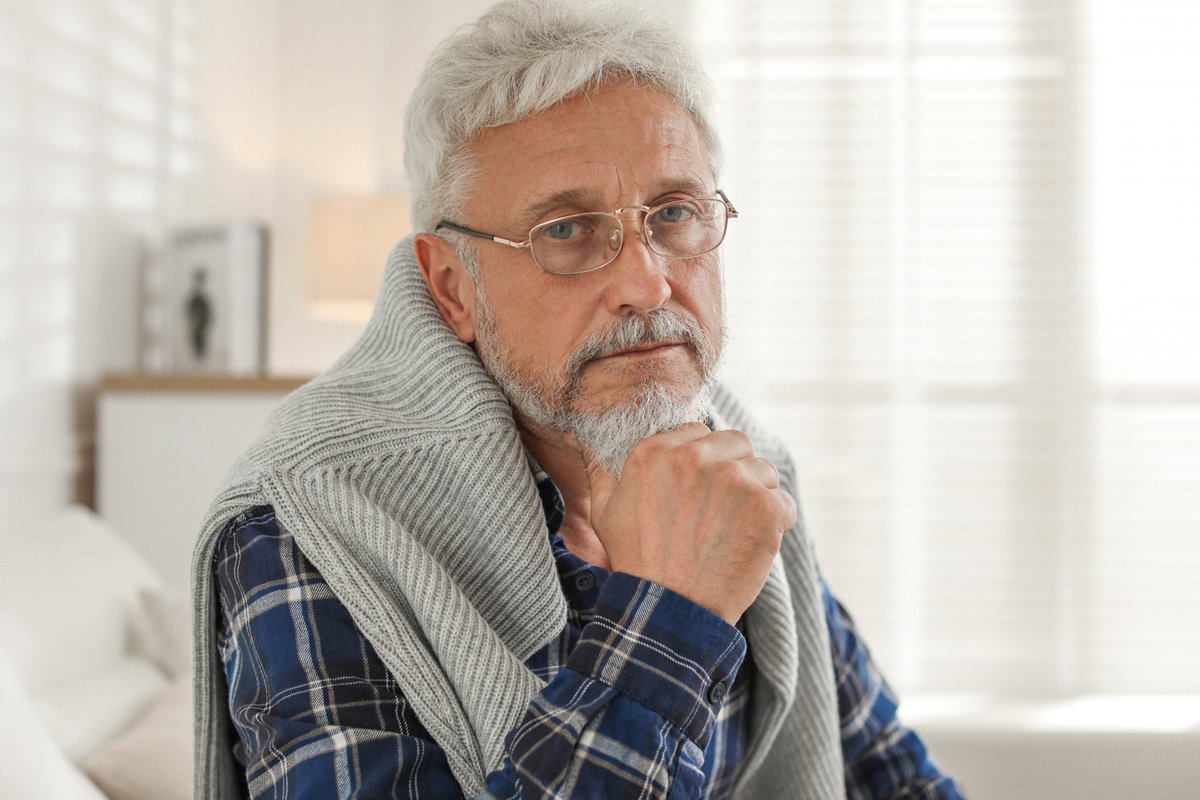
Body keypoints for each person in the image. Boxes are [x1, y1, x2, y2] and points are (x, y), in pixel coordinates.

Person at [192, 1, 966, 798]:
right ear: (453, 289)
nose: (647, 282)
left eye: (673, 213)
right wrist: (670, 615)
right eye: (566, 231)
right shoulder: (307, 520)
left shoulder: (734, 453)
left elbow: (888, 770)